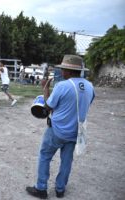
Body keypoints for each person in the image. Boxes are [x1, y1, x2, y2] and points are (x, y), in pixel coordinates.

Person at [26, 55, 95, 199]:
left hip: (57, 130)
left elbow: (48, 107)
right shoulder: (90, 86)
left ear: (68, 71)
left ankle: (41, 188)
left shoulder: (62, 86)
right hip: (75, 132)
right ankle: (60, 189)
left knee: (45, 155)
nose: (61, 71)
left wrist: (45, 88)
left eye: (63, 69)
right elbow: (86, 104)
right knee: (67, 161)